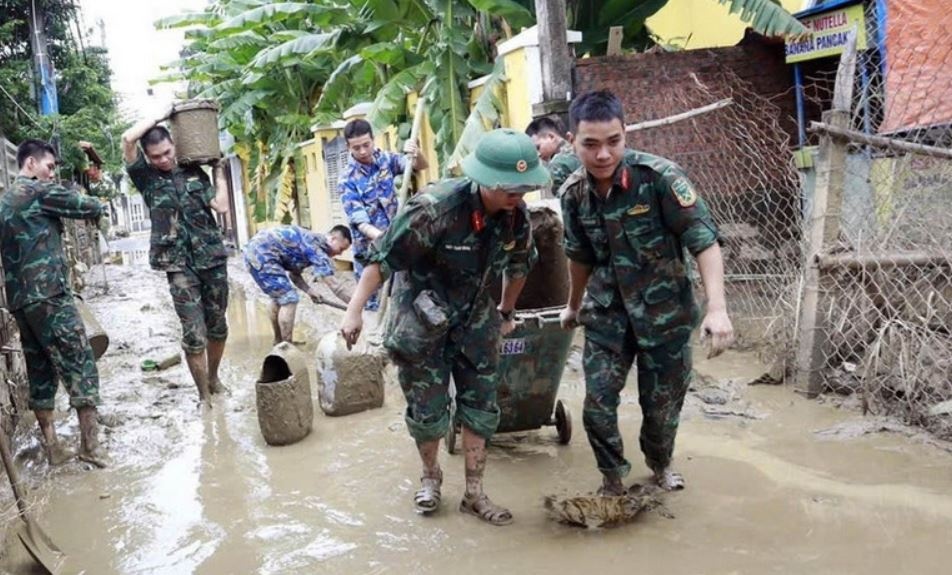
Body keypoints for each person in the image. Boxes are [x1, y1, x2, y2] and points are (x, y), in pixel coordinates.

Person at [340, 128, 548, 526]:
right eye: (510, 187)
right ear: (485, 179)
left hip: (475, 318)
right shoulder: (433, 209)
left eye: (524, 188)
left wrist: (505, 311)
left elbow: (520, 265)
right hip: (422, 319)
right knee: (427, 409)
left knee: (481, 406)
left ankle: (475, 493)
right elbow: (382, 261)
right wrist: (354, 312)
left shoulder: (516, 216)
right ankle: (430, 477)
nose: (518, 195)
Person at [558, 91, 735, 495]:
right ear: (572, 141)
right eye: (590, 144)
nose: (603, 154)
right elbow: (579, 256)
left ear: (626, 132)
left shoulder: (660, 179)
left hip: (664, 315)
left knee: (662, 407)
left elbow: (704, 242)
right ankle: (612, 479)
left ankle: (660, 464)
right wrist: (573, 306)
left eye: (613, 141)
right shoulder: (573, 194)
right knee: (597, 405)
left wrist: (717, 309)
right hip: (606, 317)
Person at [0, 139, 108, 467]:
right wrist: (95, 197)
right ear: (30, 163)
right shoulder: (39, 190)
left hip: (21, 303)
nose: (51, 174)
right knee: (81, 364)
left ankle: (53, 448)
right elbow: (88, 207)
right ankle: (90, 446)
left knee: (40, 372)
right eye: (49, 166)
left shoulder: (4, 201)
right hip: (50, 297)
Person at [121, 108, 230, 405]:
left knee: (218, 326)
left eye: (167, 152)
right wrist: (161, 115)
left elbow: (221, 206)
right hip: (178, 265)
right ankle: (203, 397)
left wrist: (219, 171)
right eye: (156, 156)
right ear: (147, 157)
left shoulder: (193, 171)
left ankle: (214, 378)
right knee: (193, 334)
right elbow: (128, 139)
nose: (163, 159)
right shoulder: (145, 178)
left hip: (212, 259)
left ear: (174, 145)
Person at [338, 118, 428, 311]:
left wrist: (416, 153)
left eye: (366, 145)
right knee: (373, 307)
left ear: (373, 139)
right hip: (372, 252)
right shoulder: (346, 180)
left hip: (397, 246)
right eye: (356, 148)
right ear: (348, 147)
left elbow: (419, 166)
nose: (363, 151)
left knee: (404, 299)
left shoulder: (385, 159)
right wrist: (385, 239)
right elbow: (361, 223)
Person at [243, 224, 353, 344]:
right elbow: (336, 287)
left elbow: (294, 275)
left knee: (279, 298)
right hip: (262, 254)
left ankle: (279, 342)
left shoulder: (310, 241)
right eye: (341, 249)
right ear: (333, 239)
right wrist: (357, 306)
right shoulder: (317, 250)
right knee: (289, 299)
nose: (340, 253)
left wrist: (310, 291)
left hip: (255, 251)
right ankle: (286, 347)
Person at [525, 116, 580, 195]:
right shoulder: (581, 151)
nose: (537, 154)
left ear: (551, 137)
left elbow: (563, 200)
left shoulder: (557, 164)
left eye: (538, 147)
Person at [78, 140, 118, 238]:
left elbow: (102, 203)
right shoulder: (86, 181)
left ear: (95, 167)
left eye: (89, 168)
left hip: (101, 217)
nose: (86, 171)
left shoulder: (107, 183)